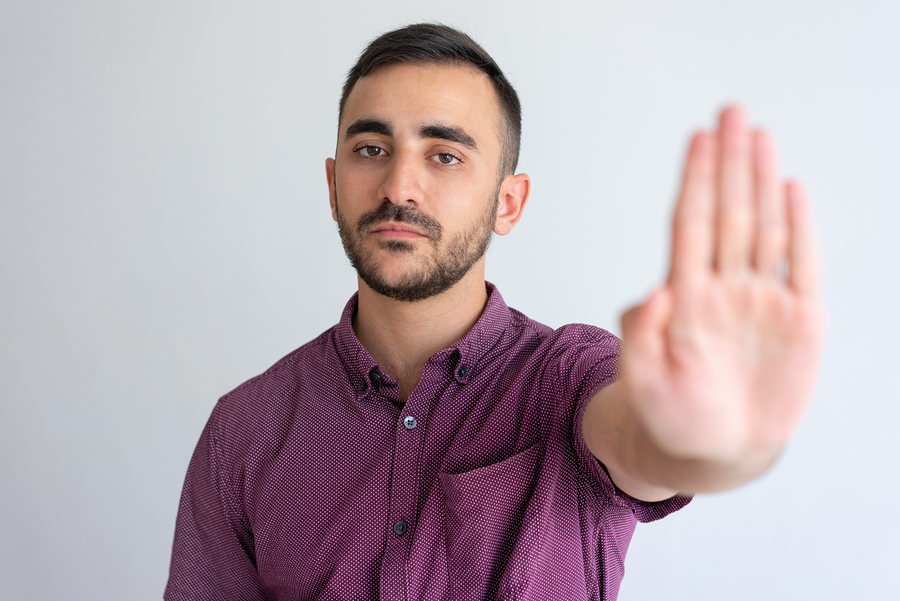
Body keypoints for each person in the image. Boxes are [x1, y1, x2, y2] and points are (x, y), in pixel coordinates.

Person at [165, 23, 823, 601]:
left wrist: (708, 442)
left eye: (444, 154)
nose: (399, 185)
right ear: (334, 186)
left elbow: (640, 440)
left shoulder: (568, 379)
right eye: (372, 149)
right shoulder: (244, 430)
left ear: (508, 203)